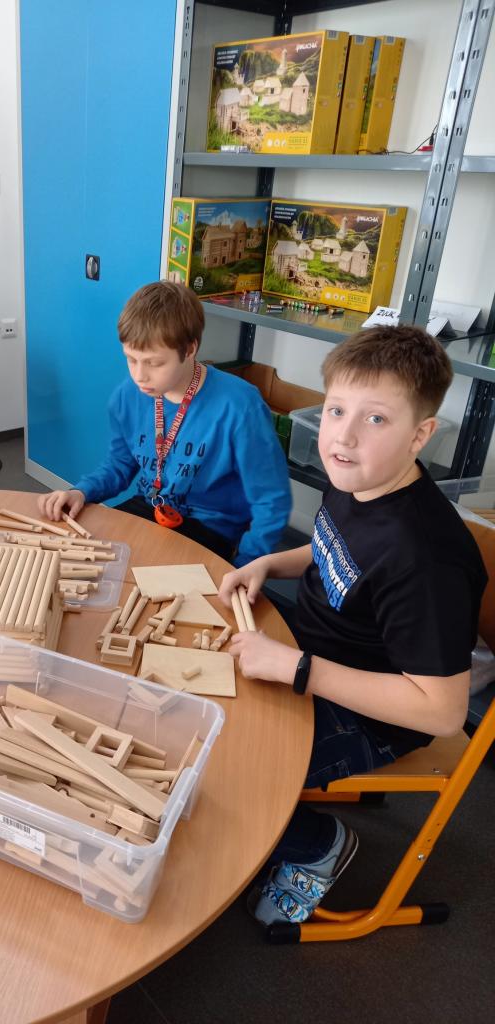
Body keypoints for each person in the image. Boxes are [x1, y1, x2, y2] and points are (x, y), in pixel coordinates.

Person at [218, 324, 487, 928]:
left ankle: (318, 845)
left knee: (223, 764)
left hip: (374, 714)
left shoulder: (426, 559)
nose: (342, 435)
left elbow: (443, 713)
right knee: (193, 707)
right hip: (310, 655)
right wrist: (270, 564)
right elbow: (329, 549)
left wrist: (297, 669)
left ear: (420, 435)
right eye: (337, 409)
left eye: (376, 419)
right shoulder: (357, 478)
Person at [37, 281, 291, 565]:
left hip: (209, 527)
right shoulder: (128, 396)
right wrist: (81, 491)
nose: (139, 376)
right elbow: (119, 466)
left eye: (154, 363)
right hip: (150, 506)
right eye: (131, 359)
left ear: (190, 348)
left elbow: (272, 500)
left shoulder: (240, 406)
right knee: (77, 561)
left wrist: (246, 566)